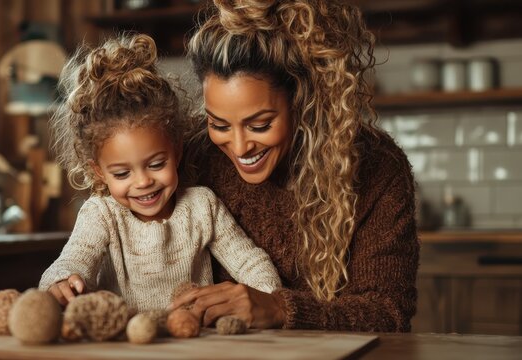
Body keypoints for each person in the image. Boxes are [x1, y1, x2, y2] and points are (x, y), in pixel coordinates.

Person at [170, 0, 419, 332]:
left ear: (302, 101)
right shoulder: (195, 156)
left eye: (259, 125)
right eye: (220, 124)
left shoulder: (377, 169)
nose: (240, 147)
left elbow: (388, 314)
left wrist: (280, 309)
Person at [38, 33, 282, 312]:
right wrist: (61, 282)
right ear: (99, 172)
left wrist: (270, 300)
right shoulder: (102, 215)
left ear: (177, 150)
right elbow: (71, 262)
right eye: (121, 174)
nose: (143, 182)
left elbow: (249, 262)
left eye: (156, 164)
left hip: (192, 344)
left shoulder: (202, 206)